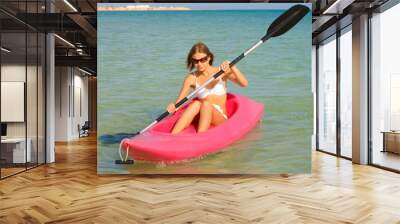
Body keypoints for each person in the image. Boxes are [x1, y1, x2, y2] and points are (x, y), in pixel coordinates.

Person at [166, 42, 248, 134]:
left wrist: (233, 67)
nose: (200, 64)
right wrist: (173, 107)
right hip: (201, 115)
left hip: (219, 117)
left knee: (205, 104)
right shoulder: (191, 78)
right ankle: (173, 135)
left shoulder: (221, 71)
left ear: (209, 58)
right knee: (196, 103)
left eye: (203, 59)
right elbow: (179, 103)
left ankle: (200, 136)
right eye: (196, 61)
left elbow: (244, 84)